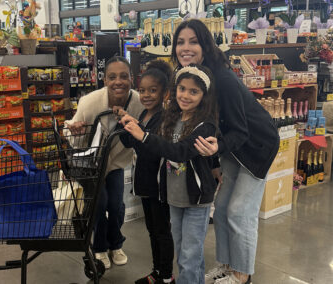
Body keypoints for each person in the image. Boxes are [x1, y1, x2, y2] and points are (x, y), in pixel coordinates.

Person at [171, 19, 279, 284]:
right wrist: (216, 161)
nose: (186, 48)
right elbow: (212, 125)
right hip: (232, 147)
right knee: (220, 209)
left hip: (257, 146)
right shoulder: (194, 77)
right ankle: (227, 265)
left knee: (240, 211)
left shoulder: (224, 79)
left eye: (193, 41)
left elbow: (240, 130)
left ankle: (242, 275)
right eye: (180, 42)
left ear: (205, 44)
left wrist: (218, 149)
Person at [121, 64, 219, 284]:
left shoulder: (205, 126)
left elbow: (180, 152)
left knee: (188, 258)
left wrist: (143, 136)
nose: (185, 95)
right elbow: (159, 148)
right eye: (182, 89)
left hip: (196, 200)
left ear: (204, 95)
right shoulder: (172, 118)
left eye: (194, 91)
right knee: (187, 253)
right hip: (174, 198)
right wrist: (133, 129)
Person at [65, 56, 144, 269]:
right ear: (104, 80)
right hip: (91, 165)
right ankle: (99, 248)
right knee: (99, 205)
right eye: (112, 77)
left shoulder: (137, 102)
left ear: (131, 79)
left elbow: (142, 132)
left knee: (116, 206)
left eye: (123, 76)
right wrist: (77, 131)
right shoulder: (89, 102)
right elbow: (73, 139)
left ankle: (115, 244)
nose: (118, 81)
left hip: (117, 162)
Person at [117, 60, 175, 284]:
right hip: (145, 183)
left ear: (165, 93)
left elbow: (151, 148)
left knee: (162, 231)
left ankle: (167, 277)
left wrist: (137, 131)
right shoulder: (144, 115)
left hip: (159, 185)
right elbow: (131, 143)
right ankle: (157, 271)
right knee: (152, 230)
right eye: (142, 90)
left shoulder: (164, 118)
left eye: (153, 90)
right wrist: (124, 124)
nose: (146, 95)